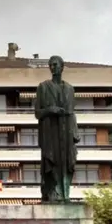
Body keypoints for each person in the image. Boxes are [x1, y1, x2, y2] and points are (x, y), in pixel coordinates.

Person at [34, 55, 79, 202]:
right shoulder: (43, 87)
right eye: (51, 65)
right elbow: (37, 113)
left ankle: (65, 193)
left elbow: (72, 112)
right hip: (50, 132)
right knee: (51, 162)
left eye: (55, 64)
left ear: (62, 66)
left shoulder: (70, 89)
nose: (53, 67)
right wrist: (50, 110)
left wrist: (75, 131)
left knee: (68, 161)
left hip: (67, 131)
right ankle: (53, 192)